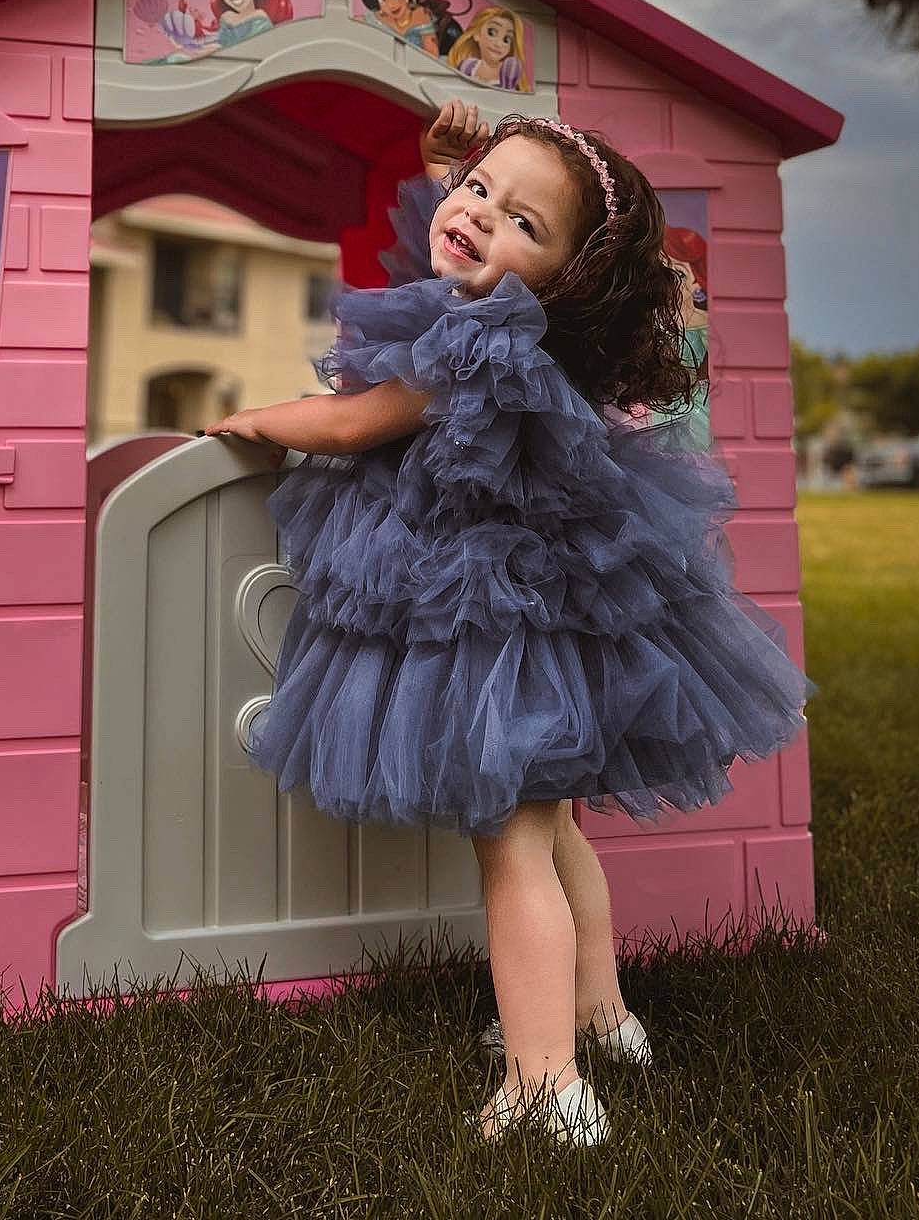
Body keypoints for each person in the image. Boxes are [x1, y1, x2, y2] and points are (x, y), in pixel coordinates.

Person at [205, 99, 817, 1149]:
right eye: (480, 190)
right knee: (554, 826)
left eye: (524, 224)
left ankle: (548, 1087)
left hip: (495, 628)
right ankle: (602, 1015)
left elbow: (359, 420)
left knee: (512, 852)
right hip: (553, 618)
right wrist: (454, 168)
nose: (481, 216)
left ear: (565, 278)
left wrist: (255, 419)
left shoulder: (482, 343)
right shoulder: (525, 329)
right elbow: (446, 251)